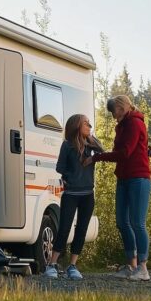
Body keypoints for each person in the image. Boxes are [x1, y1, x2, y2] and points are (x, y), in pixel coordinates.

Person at [85, 95, 151, 281]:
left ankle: (143, 268)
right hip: (124, 177)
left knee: (137, 222)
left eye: (114, 111)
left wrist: (97, 157)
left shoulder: (134, 123)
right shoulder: (123, 125)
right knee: (122, 222)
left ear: (122, 108)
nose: (113, 116)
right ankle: (131, 265)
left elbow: (125, 153)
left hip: (139, 178)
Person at [45, 114, 102, 279]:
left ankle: (73, 265)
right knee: (64, 228)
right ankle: (52, 264)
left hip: (87, 195)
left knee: (81, 230)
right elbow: (59, 167)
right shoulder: (67, 145)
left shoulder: (91, 146)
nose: (90, 126)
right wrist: (71, 177)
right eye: (86, 124)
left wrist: (91, 147)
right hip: (71, 194)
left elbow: (103, 152)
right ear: (77, 126)